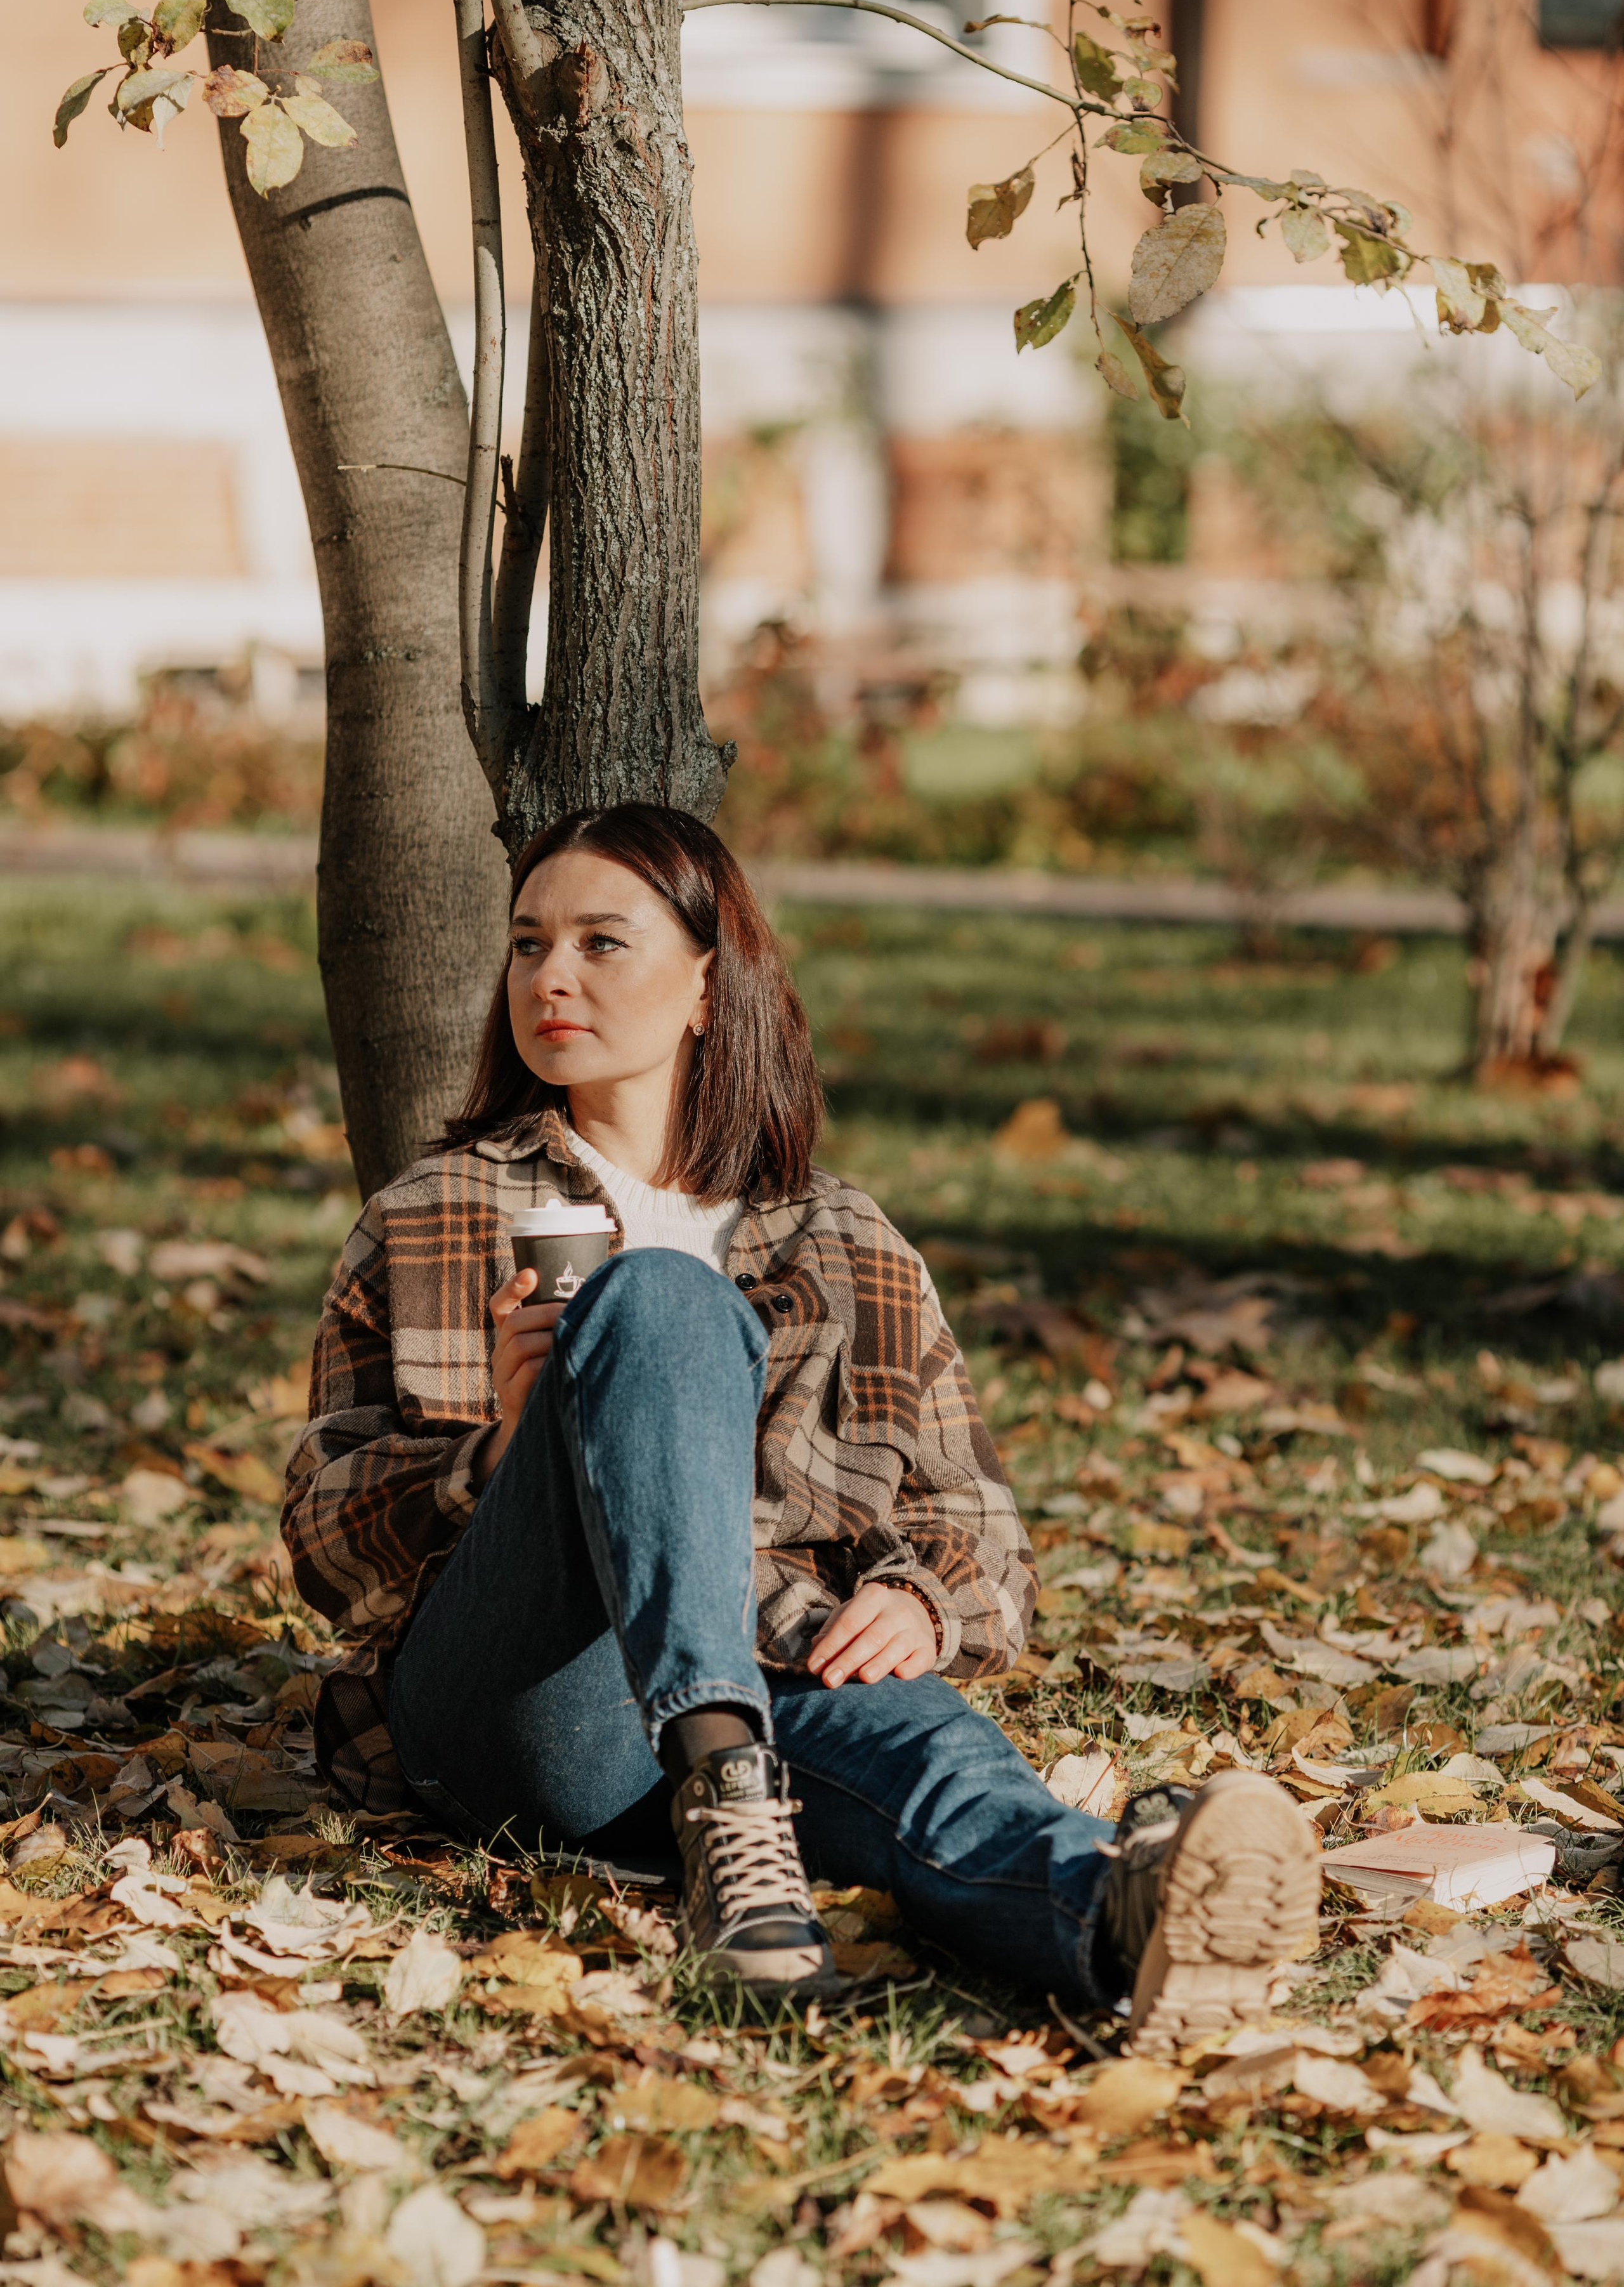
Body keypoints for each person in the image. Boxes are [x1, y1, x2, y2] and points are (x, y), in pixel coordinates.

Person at [285, 803, 1319, 2045]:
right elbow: (325, 1545)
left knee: (937, 1759)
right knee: (661, 1301)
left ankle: (1116, 1912)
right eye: (525, 944)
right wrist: (503, 1457)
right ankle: (730, 1800)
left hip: (790, 1676)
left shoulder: (848, 1244)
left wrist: (926, 1602)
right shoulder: (437, 1215)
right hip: (531, 1711)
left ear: (708, 988)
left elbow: (982, 1541)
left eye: (599, 944)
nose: (549, 975)